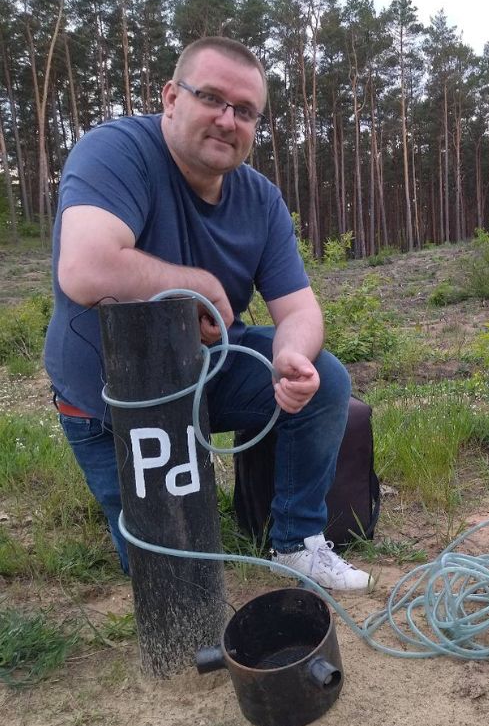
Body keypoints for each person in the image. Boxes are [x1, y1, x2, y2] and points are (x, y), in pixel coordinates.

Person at [44, 36, 372, 590]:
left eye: (245, 111)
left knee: (328, 380)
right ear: (171, 97)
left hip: (205, 375)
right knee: (175, 577)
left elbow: (301, 308)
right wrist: (196, 285)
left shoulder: (260, 200)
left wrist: (291, 354)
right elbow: (84, 270)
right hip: (112, 402)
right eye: (212, 99)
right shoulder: (117, 151)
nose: (227, 120)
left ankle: (298, 542)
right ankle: (168, 542)